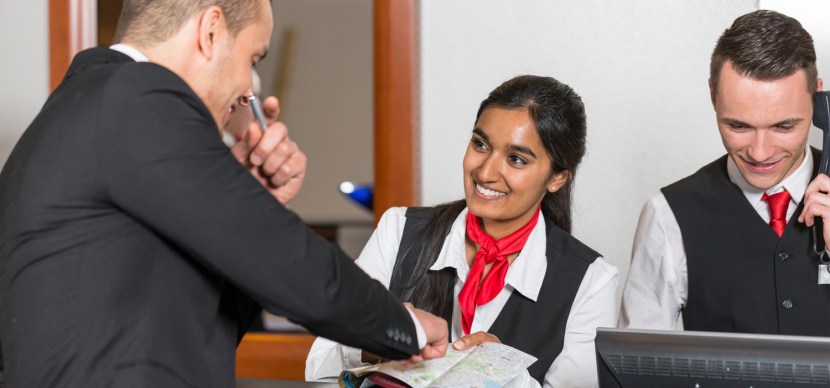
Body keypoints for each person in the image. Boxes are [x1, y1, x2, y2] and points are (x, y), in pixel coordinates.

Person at [0, 1, 448, 387]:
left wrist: (256, 203)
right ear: (210, 30)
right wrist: (405, 324)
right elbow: (288, 263)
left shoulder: (84, 106)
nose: (248, 90)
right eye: (253, 58)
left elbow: (187, 327)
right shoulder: (138, 94)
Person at [306, 75, 618, 387]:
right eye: (480, 144)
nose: (485, 172)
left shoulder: (591, 281)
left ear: (557, 178)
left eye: (516, 159)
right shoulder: (399, 229)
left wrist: (507, 376)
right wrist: (373, 340)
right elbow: (319, 367)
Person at [620, 10, 830, 335]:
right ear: (712, 96)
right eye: (738, 125)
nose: (760, 152)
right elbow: (634, 368)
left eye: (784, 126)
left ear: (817, 101)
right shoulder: (667, 216)